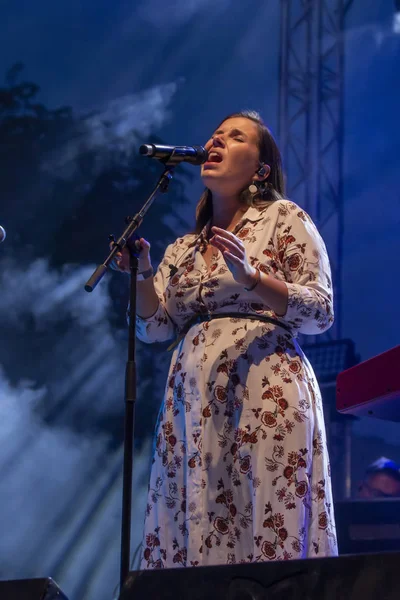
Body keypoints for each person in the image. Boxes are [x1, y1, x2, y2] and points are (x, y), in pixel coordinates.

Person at [114, 110, 337, 567]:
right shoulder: (185, 247)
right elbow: (155, 327)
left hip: (266, 389)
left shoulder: (283, 218)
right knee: (196, 522)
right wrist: (142, 275)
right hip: (194, 405)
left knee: (267, 518)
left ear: (261, 170)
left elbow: (320, 309)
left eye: (235, 138)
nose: (216, 142)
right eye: (215, 135)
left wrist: (252, 277)